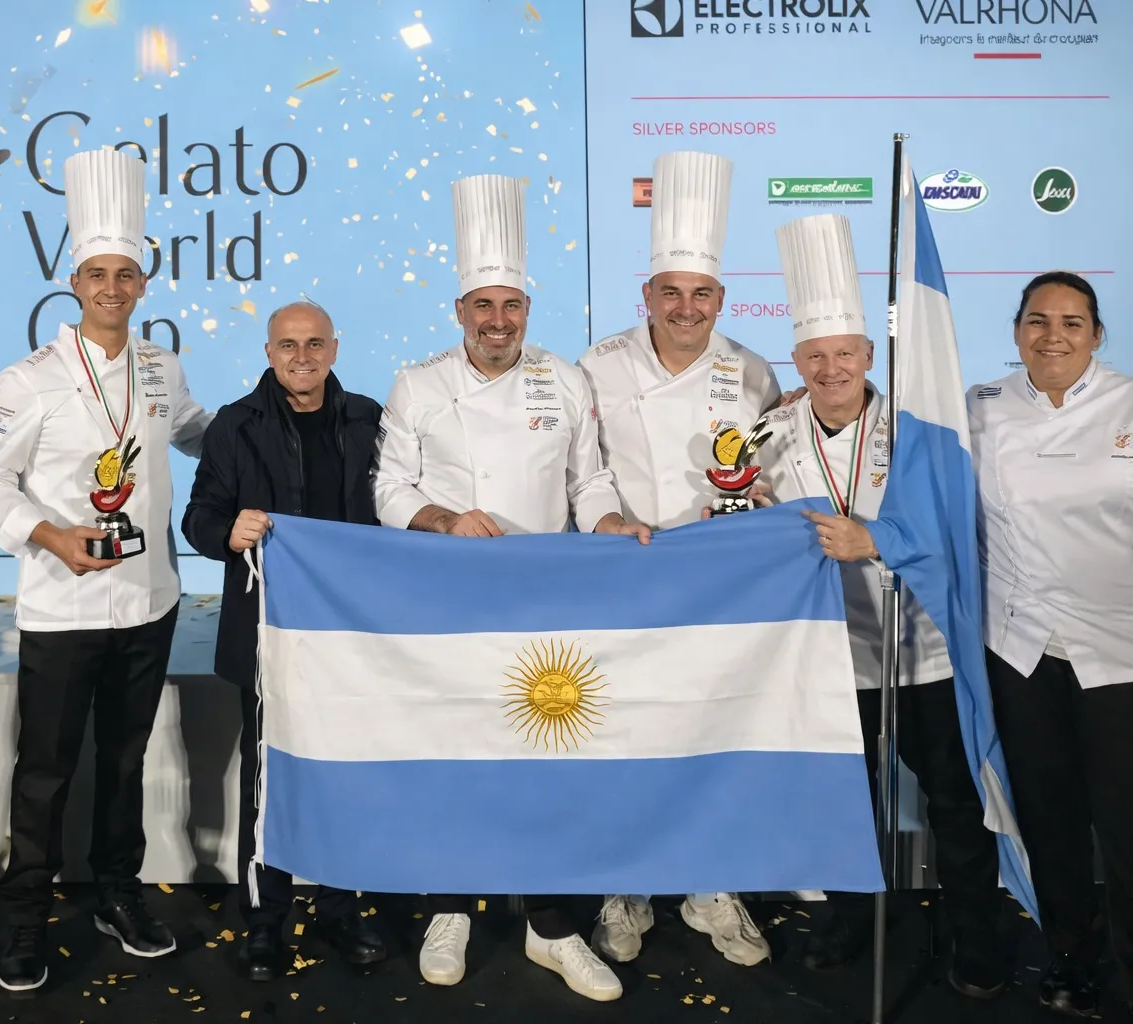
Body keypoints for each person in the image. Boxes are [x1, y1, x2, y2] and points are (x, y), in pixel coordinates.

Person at [375, 173, 649, 1003]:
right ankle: (450, 909)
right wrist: (444, 518)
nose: (498, 321)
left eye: (512, 307)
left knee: (545, 760)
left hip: (541, 600)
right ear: (459, 309)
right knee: (455, 754)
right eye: (483, 306)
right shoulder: (419, 383)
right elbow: (388, 489)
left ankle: (551, 926)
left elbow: (588, 482)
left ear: (528, 309)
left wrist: (610, 523)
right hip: (448, 601)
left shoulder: (564, 379)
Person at [742, 213, 1005, 999]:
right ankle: (849, 917)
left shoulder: (919, 430)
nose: (831, 369)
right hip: (827, 657)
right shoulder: (765, 436)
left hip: (920, 647)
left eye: (845, 354)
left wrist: (877, 540)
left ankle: (975, 932)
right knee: (839, 801)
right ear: (797, 361)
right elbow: (746, 531)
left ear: (868, 355)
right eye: (815, 356)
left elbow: (954, 529)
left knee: (953, 799)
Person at [0, 147, 211, 993]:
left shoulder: (161, 367)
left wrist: (276, 419)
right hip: (63, 607)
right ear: (74, 282)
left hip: (148, 600)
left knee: (125, 760)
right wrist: (49, 535)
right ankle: (24, 918)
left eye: (126, 274)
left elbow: (193, 429)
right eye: (98, 274)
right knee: (44, 773)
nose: (113, 288)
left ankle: (118, 892)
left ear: (143, 283)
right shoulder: (28, 379)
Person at [578, 150, 781, 970]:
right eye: (671, 292)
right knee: (627, 733)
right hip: (625, 576)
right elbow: (584, 467)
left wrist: (755, 513)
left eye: (701, 294)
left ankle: (710, 883)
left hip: (715, 587)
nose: (685, 308)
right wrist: (607, 518)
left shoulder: (754, 372)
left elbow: (769, 476)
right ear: (648, 295)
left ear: (720, 300)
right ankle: (626, 885)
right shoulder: (599, 364)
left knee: (713, 731)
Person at [181, 299, 387, 982]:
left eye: (314, 344)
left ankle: (338, 908)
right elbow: (198, 516)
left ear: (335, 348)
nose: (302, 357)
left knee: (343, 775)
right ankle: (265, 921)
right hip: (267, 636)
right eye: (288, 345)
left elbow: (395, 508)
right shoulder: (234, 425)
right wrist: (226, 532)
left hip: (349, 636)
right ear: (269, 353)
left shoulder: (368, 420)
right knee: (267, 781)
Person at [968, 271, 1133, 1018]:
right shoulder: (980, 407)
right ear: (1016, 331)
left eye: (1072, 323)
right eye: (1038, 320)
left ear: (1097, 335)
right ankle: (1073, 957)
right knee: (1051, 816)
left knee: (1125, 824)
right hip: (1024, 649)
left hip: (1118, 650)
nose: (1053, 336)